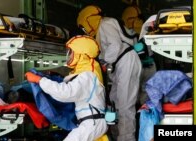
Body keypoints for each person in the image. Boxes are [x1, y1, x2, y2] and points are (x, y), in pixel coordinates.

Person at [77, 5, 142, 141]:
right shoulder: (101, 29)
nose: (85, 30)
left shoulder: (105, 23)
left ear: (88, 20)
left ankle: (126, 138)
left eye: (84, 26)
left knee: (125, 104)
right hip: (120, 64)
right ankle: (117, 134)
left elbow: (115, 45)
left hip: (126, 61)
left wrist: (104, 62)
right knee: (114, 102)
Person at [25, 35, 108, 141]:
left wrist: (39, 80)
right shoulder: (86, 74)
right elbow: (69, 84)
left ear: (80, 54)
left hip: (91, 123)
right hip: (91, 122)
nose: (68, 55)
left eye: (71, 52)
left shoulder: (87, 76)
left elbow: (65, 93)